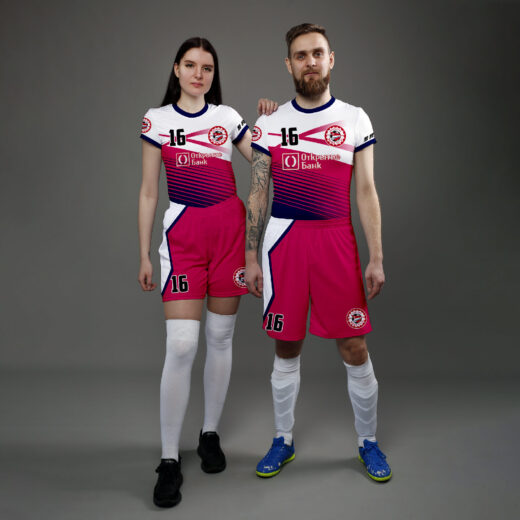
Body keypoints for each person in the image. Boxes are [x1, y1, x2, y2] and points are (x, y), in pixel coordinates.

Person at [245, 23, 392, 482]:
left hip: (336, 242)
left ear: (331, 60)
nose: (310, 61)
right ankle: (282, 439)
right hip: (284, 242)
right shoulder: (270, 123)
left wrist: (376, 257)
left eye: (317, 53)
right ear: (288, 65)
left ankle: (368, 442)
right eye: (300, 55)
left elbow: (366, 191)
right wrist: (250, 256)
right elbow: (258, 193)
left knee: (354, 345)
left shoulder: (355, 118)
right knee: (286, 345)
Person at [138, 36, 277, 508]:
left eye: (208, 68)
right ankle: (168, 460)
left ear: (213, 75)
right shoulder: (157, 121)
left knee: (220, 338)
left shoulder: (227, 117)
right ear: (176, 69)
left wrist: (269, 123)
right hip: (184, 238)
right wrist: (143, 253)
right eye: (191, 65)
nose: (199, 74)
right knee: (181, 345)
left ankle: (209, 434)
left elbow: (266, 162)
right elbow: (148, 192)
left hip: (229, 237)